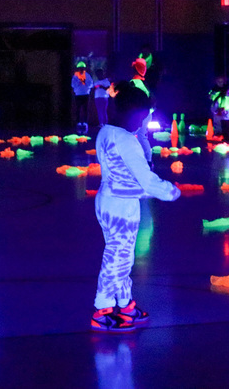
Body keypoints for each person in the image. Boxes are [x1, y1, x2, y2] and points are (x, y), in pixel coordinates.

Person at [91, 81, 181, 332]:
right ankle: (102, 310)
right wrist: (171, 191)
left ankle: (124, 304)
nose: (142, 124)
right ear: (130, 115)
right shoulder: (127, 141)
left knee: (121, 256)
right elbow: (146, 179)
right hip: (122, 207)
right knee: (117, 258)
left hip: (108, 200)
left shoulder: (106, 132)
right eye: (141, 118)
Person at [72, 61, 94, 134]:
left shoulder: (87, 75)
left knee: (85, 109)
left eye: (82, 68)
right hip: (78, 95)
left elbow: (91, 84)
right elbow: (72, 85)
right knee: (78, 109)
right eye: (80, 68)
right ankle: (78, 122)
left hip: (85, 94)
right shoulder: (75, 76)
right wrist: (78, 82)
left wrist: (85, 82)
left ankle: (85, 122)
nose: (81, 70)